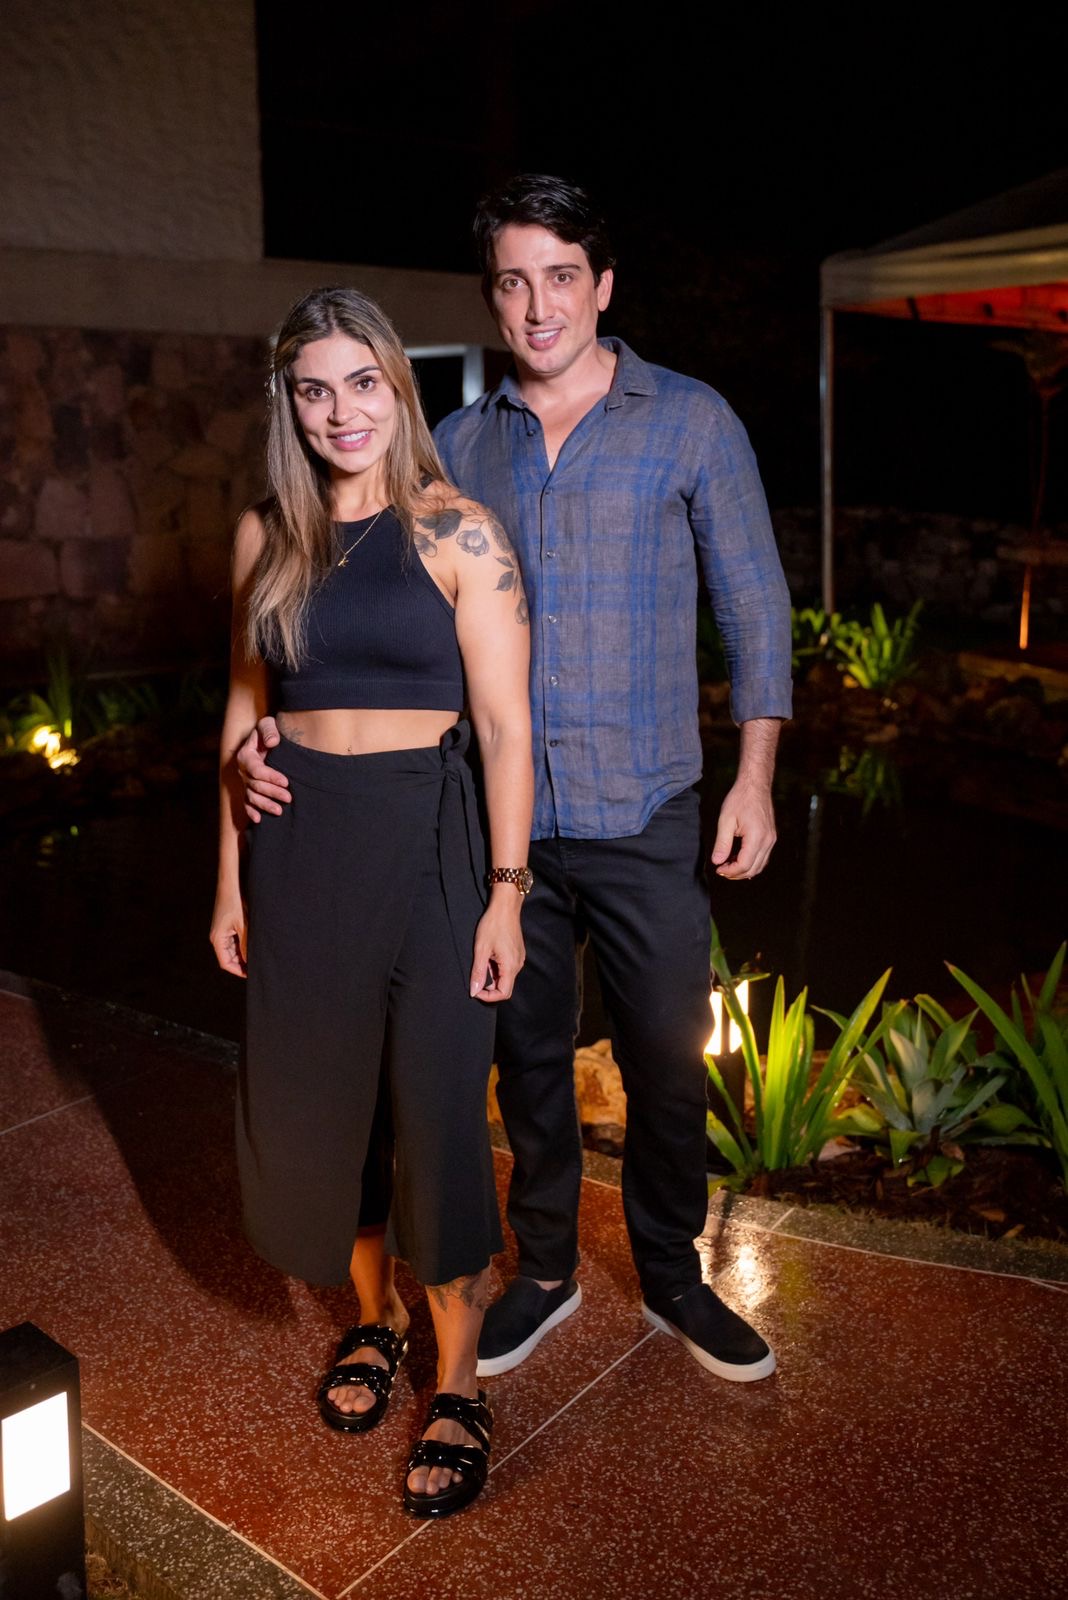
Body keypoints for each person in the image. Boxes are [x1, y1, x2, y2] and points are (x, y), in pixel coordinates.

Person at [238, 176, 792, 1386]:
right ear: (492, 299)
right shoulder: (458, 443)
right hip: (496, 827)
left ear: (603, 285)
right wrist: (283, 724)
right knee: (528, 1060)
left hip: (643, 807)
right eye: (512, 282)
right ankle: (544, 1268)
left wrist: (754, 775)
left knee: (665, 1057)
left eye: (561, 277)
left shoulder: (691, 421)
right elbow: (368, 602)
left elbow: (754, 604)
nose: (539, 306)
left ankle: (673, 1272)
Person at [209, 285, 533, 1518]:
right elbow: (243, 712)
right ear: (288, 403)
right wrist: (229, 878)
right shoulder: (266, 536)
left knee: (439, 1111)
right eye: (314, 388)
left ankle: (459, 1381)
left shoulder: (461, 532)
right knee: (330, 1108)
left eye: (361, 382)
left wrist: (507, 895)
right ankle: (375, 1315)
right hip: (300, 847)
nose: (340, 410)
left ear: (398, 386)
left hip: (434, 840)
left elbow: (504, 728)